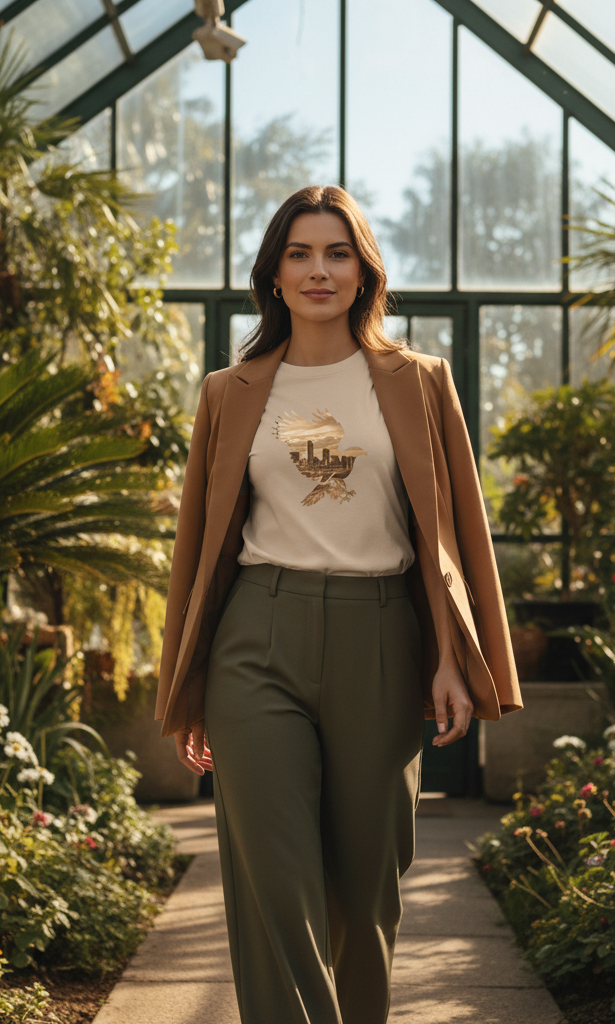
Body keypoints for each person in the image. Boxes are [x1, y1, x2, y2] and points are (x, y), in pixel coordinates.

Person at [154, 185, 522, 1024]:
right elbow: (198, 551)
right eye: (299, 254)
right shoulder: (229, 391)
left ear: (364, 273)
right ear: (274, 276)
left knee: (366, 895)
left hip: (381, 637)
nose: (318, 270)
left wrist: (449, 659)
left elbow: (451, 533)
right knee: (273, 885)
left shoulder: (420, 382)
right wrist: (191, 684)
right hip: (257, 637)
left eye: (336, 253)